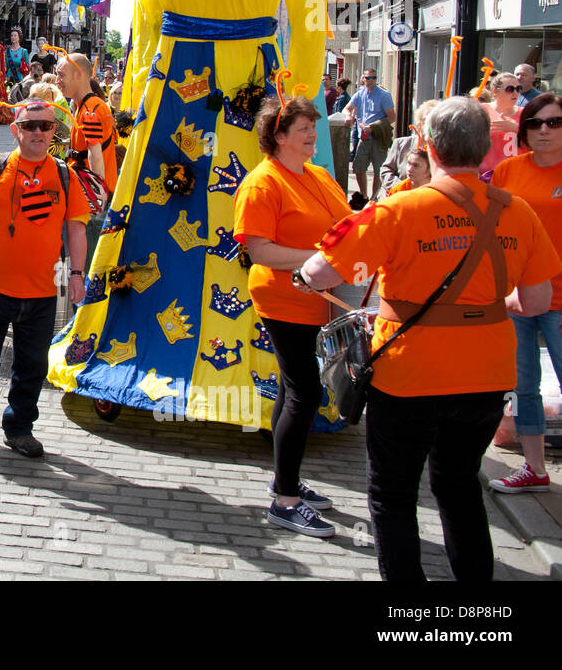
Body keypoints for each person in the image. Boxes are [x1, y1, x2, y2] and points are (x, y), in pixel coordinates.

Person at [49, 0, 327, 430]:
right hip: (173, 93)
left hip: (250, 94)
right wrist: (134, 101)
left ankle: (257, 378)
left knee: (247, 229)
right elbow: (145, 25)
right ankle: (122, 362)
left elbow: (314, 18)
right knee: (146, 235)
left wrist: (303, 110)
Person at [299, 96, 562, 580]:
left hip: (409, 375)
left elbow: (316, 273)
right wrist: (483, 305)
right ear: (485, 149)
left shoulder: (398, 210)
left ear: (429, 147)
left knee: (393, 495)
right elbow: (539, 301)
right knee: (460, 486)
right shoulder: (518, 211)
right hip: (486, 374)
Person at [0, 99, 90, 461]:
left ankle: (19, 428)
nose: (39, 132)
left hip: (42, 293)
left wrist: (77, 274)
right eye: (30, 126)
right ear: (16, 130)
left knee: (31, 368)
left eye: (46, 126)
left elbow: (76, 228)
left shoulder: (64, 174)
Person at [233, 95, 350, 537]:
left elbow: (346, 224)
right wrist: (321, 258)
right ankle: (285, 502)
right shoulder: (262, 183)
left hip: (318, 300)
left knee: (291, 387)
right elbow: (258, 250)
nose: (312, 135)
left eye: (312, 128)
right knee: (304, 390)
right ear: (278, 136)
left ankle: (286, 480)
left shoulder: (318, 175)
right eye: (303, 129)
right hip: (284, 300)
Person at [489, 93, 562, 494]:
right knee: (523, 386)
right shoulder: (508, 172)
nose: (544, 131)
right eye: (536, 123)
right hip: (517, 298)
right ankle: (534, 469)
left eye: (554, 123)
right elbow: (494, 233)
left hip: (560, 302)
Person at [58, 53, 116, 262]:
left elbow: (95, 157)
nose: (57, 81)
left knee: (83, 261)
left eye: (61, 75)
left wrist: (95, 201)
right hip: (87, 196)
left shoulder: (91, 109)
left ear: (79, 75)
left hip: (89, 199)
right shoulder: (86, 106)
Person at [345, 68, 396, 200]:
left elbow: (392, 117)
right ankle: (364, 195)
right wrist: (348, 116)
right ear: (363, 78)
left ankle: (375, 197)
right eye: (368, 78)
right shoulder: (360, 94)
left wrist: (373, 127)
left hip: (378, 138)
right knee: (358, 167)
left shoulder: (384, 95)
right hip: (363, 138)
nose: (371, 80)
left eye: (374, 78)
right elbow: (347, 108)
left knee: (378, 170)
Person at [381, 99, 438, 192]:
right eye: (426, 120)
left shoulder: (442, 149)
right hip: (398, 197)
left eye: (434, 121)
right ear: (419, 123)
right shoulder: (401, 143)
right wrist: (400, 186)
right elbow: (385, 170)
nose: (430, 125)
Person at [477, 71, 521, 178]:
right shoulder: (481, 111)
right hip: (486, 176)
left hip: (517, 175)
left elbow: (536, 142)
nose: (515, 93)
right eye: (510, 89)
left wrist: (516, 129)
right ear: (495, 91)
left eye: (518, 89)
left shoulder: (525, 113)